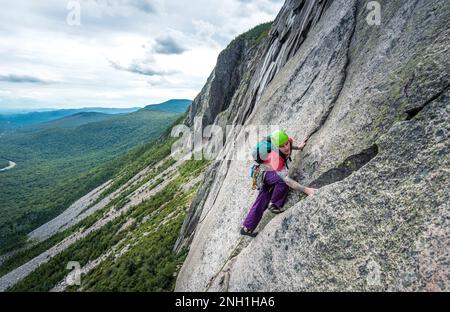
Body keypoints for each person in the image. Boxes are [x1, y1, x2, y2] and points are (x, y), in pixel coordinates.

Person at [240, 130, 318, 237]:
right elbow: (286, 180)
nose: (286, 147)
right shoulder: (275, 157)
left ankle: (247, 228)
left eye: (286, 143)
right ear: (276, 147)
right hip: (265, 174)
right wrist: (307, 190)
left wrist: (299, 147)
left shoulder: (287, 141)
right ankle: (275, 204)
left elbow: (289, 145)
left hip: (265, 173)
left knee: (262, 199)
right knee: (282, 180)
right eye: (282, 146)